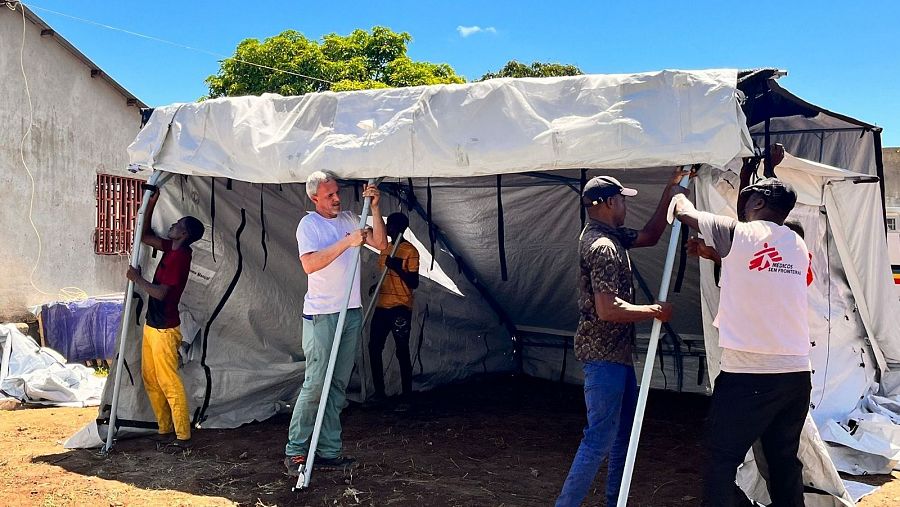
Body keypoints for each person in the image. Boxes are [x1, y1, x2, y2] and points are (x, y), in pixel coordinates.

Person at [671, 178, 812, 506]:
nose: (743, 208)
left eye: (747, 201)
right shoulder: (796, 244)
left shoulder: (739, 234)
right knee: (783, 462)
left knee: (720, 459)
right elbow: (759, 271)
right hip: (795, 376)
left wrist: (677, 187)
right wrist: (713, 253)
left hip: (749, 376)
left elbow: (684, 212)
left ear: (759, 204)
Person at [556, 171, 686, 507]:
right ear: (611, 202)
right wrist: (654, 311)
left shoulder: (607, 236)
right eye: (623, 199)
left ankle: (616, 499)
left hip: (614, 355)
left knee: (622, 435)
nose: (626, 205)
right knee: (599, 438)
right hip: (603, 357)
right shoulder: (603, 247)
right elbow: (608, 309)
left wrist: (669, 194)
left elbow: (652, 235)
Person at [285, 170, 387, 475]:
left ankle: (329, 450)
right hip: (322, 315)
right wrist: (346, 243)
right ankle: (295, 451)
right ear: (314, 197)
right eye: (329, 195)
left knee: (338, 384)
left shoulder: (350, 219)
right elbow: (310, 264)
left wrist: (377, 208)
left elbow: (382, 244)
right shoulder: (309, 225)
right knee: (317, 383)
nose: (336, 199)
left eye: (337, 193)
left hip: (350, 311)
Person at [126, 186, 205, 448]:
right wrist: (151, 202)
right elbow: (146, 235)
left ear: (184, 234)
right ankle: (164, 428)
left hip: (164, 329)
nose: (171, 225)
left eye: (177, 224)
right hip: (154, 325)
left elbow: (161, 294)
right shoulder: (173, 248)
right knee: (151, 378)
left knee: (169, 381)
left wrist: (137, 278)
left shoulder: (180, 258)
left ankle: (182, 435)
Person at [369, 212, 420, 406]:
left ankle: (407, 396)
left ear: (400, 227)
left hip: (400, 307)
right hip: (382, 306)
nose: (387, 228)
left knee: (401, 350)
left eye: (390, 225)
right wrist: (377, 286)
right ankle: (379, 393)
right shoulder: (385, 247)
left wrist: (398, 267)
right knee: (374, 347)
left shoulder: (410, 250)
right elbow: (385, 275)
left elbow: (414, 282)